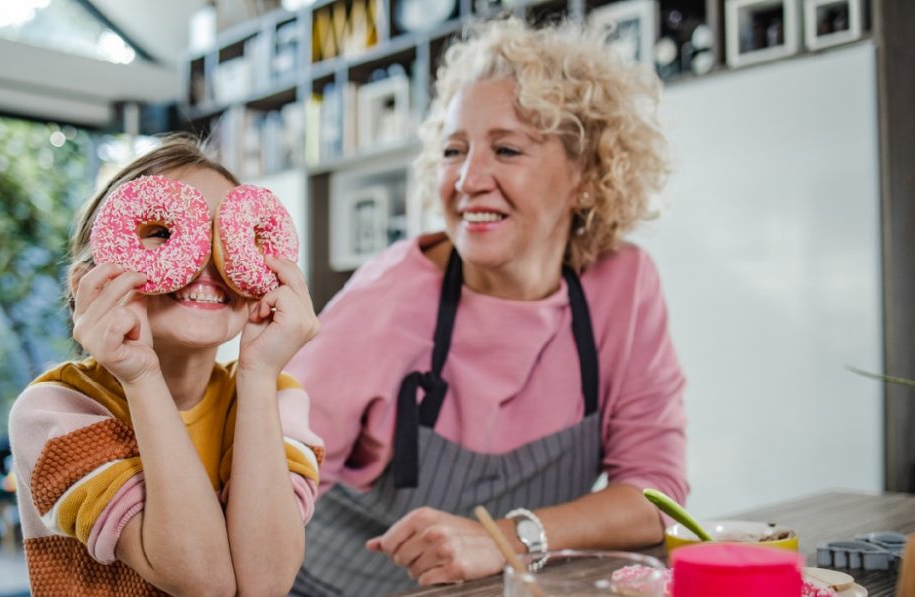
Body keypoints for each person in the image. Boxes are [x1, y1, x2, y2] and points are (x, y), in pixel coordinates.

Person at [289, 17, 687, 596]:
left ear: (586, 176)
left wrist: (508, 538)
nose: (469, 178)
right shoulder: (388, 296)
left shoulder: (622, 286)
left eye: (506, 149)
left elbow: (657, 493)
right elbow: (267, 474)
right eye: (454, 150)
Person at [8, 135, 323, 596]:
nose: (208, 260)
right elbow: (203, 582)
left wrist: (257, 376)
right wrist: (141, 374)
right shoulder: (54, 411)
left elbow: (265, 585)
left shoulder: (279, 396)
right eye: (162, 233)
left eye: (229, 237)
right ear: (86, 284)